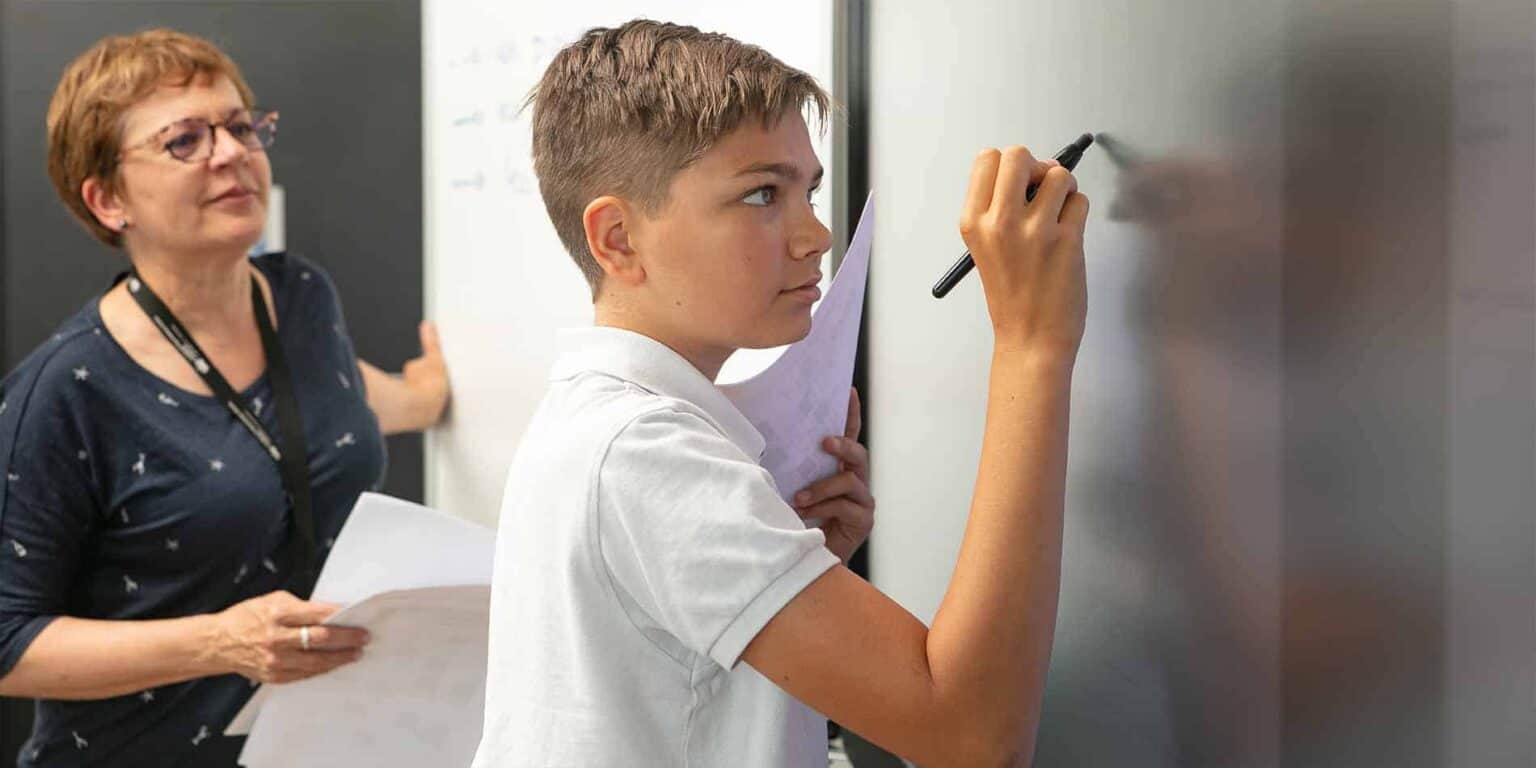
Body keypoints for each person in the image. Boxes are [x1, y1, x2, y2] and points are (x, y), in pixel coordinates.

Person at [473, 20, 1087, 767]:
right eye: (762, 194)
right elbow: (974, 738)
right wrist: (1031, 347)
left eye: (810, 191)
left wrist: (798, 572)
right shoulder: (646, 455)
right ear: (618, 240)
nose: (816, 236)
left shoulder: (600, 425)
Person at [0, 28, 450, 766]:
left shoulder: (303, 297)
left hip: (326, 746)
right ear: (109, 199)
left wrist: (426, 399)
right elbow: (9, 644)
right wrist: (221, 643)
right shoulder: (67, 390)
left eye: (241, 127)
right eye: (185, 140)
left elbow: (336, 401)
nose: (232, 152)